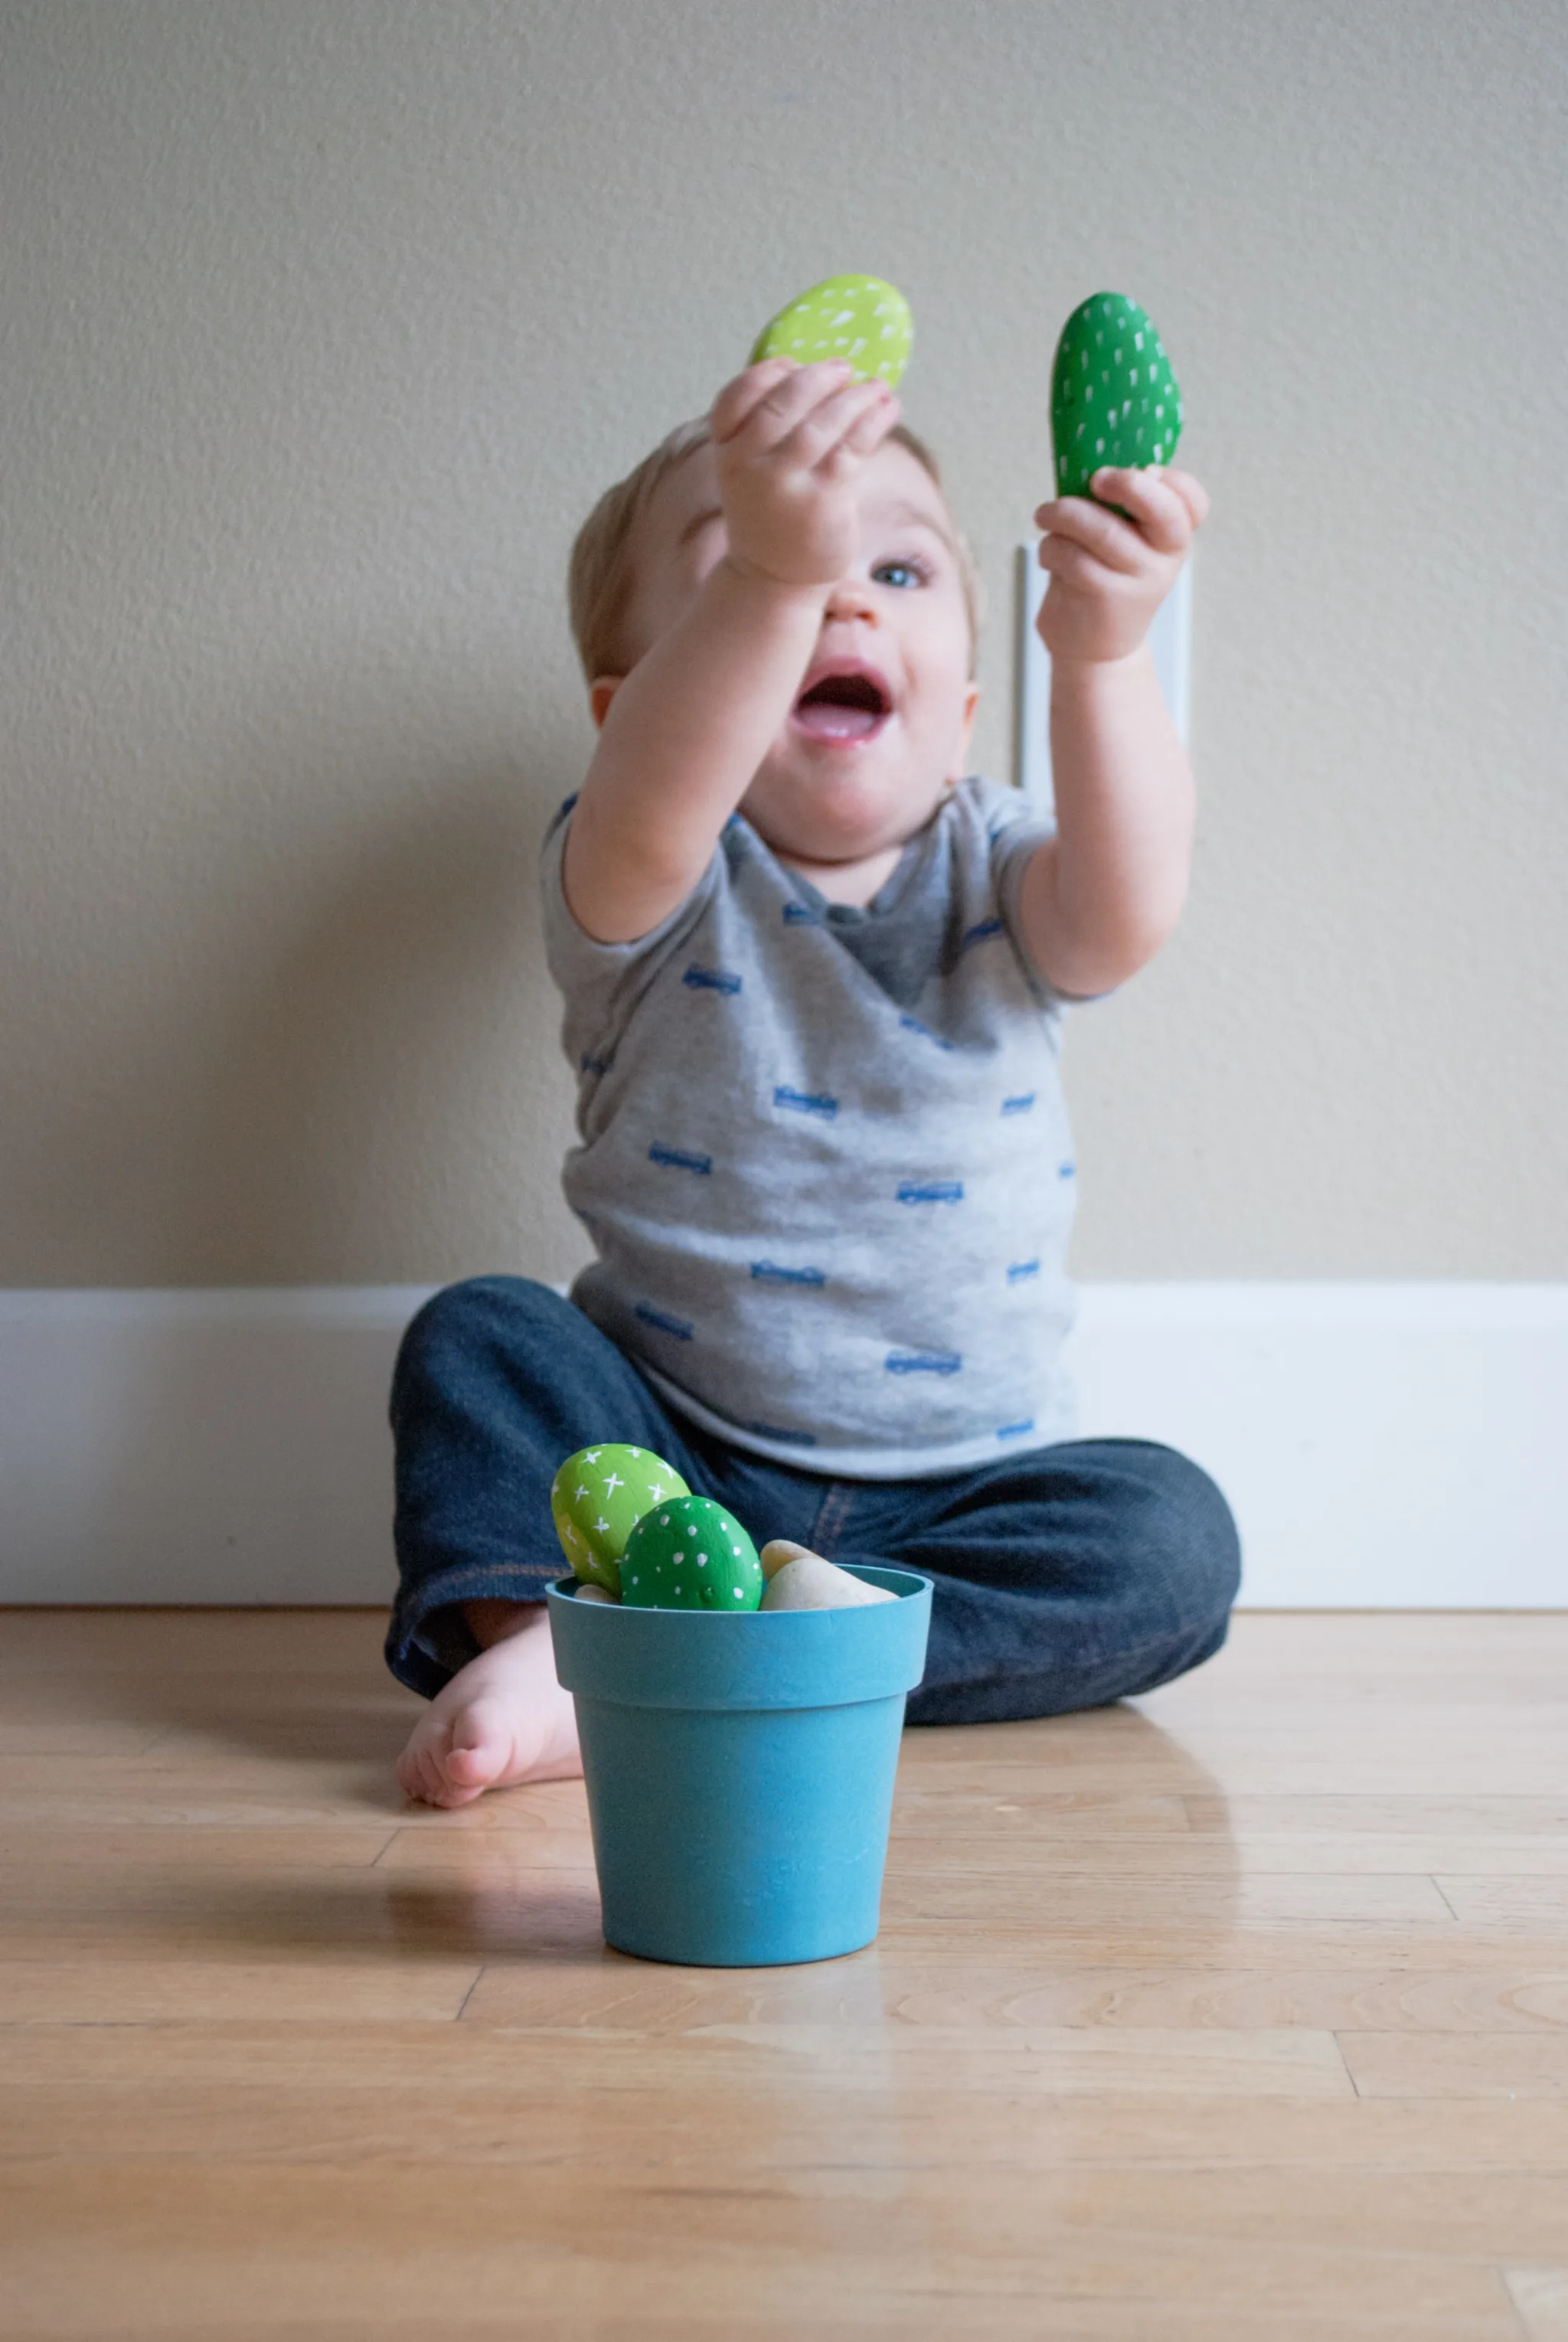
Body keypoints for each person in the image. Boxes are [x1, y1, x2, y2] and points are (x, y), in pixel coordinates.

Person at [387, 350, 1240, 1808]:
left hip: (959, 1499)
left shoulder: (1004, 867)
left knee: (1173, 1534)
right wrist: (773, 587)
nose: (838, 586)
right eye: (751, 569)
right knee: (483, 1338)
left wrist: (1100, 652)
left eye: (894, 569)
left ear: (966, 703)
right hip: (675, 1461)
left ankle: (792, 1652)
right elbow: (658, 790)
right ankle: (555, 1646)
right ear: (627, 713)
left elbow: (1131, 903)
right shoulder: (647, 878)